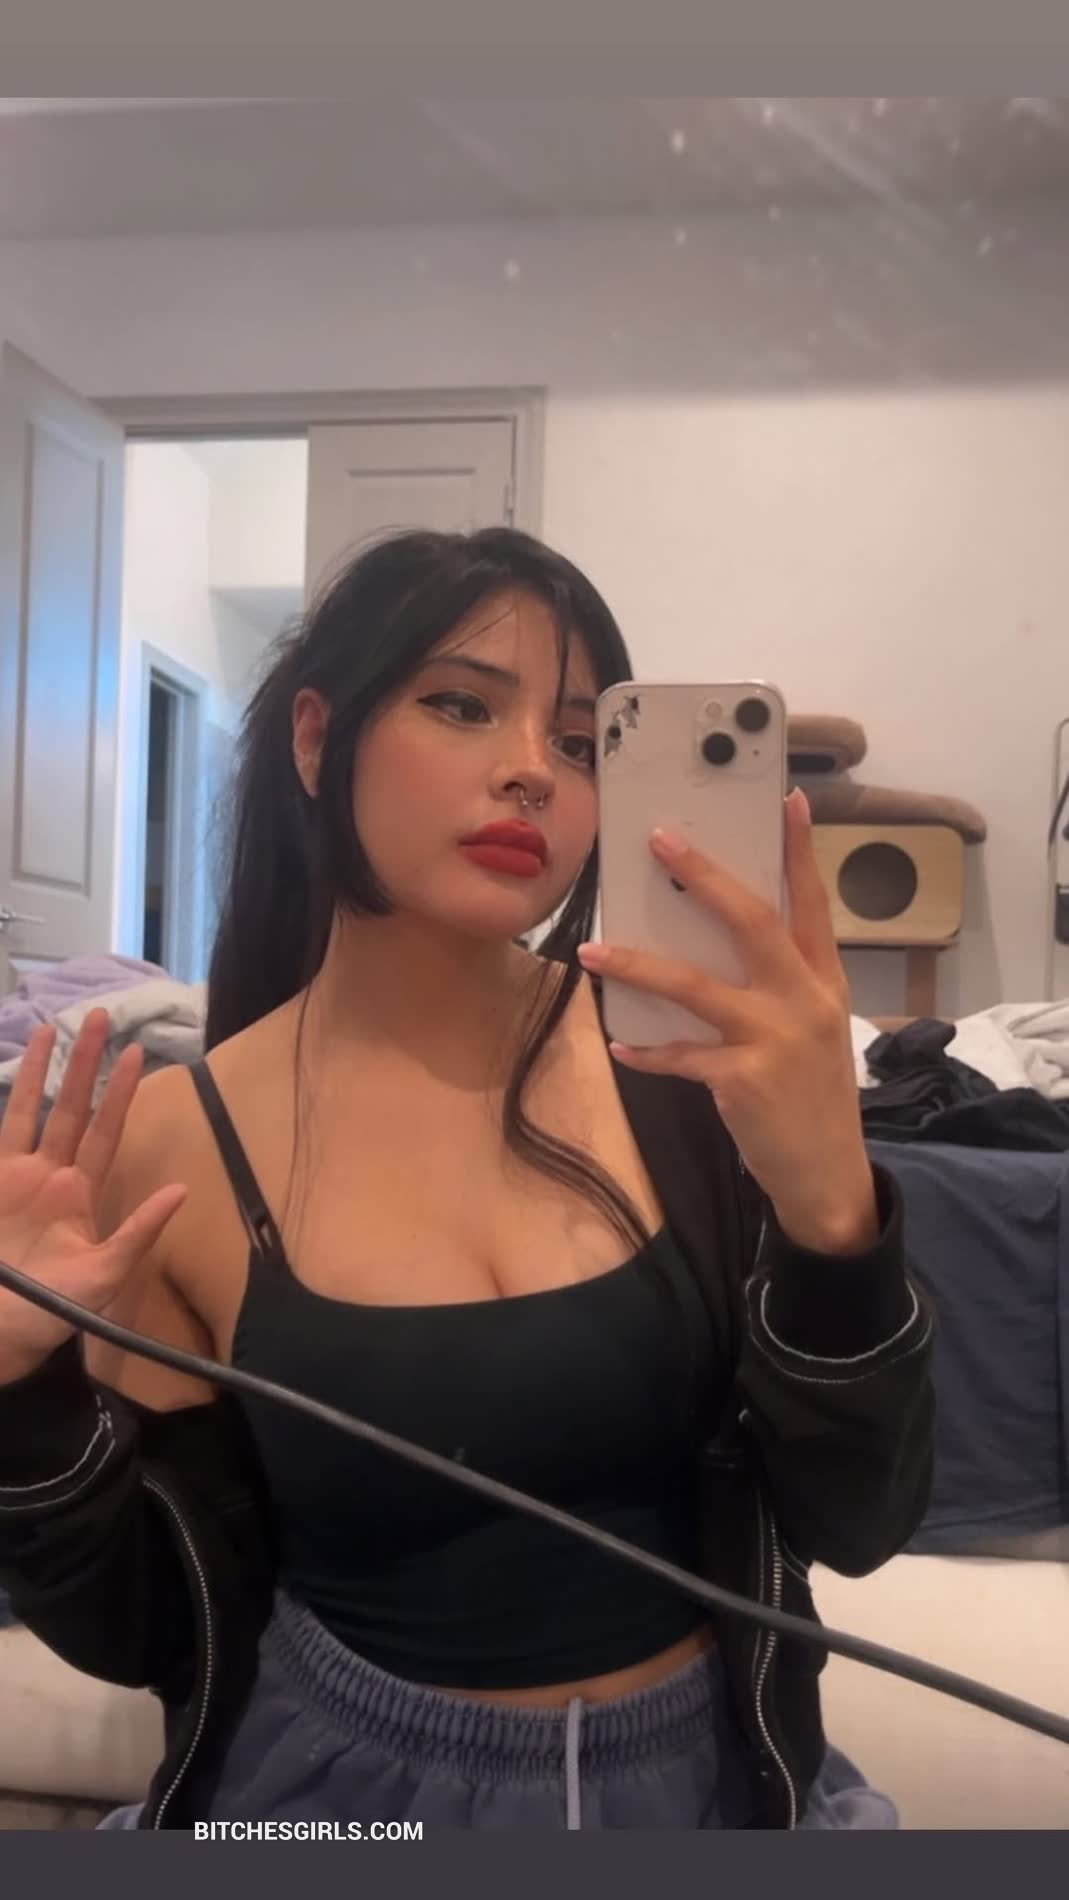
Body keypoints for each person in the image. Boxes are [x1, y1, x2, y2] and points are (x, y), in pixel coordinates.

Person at [0, 528, 933, 1832]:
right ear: (316, 740)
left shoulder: (683, 1077)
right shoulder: (176, 1140)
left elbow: (858, 1520)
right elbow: (150, 1628)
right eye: (460, 704)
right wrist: (22, 1390)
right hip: (338, 1797)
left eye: (578, 743)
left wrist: (834, 1205)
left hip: (719, 1782)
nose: (531, 771)